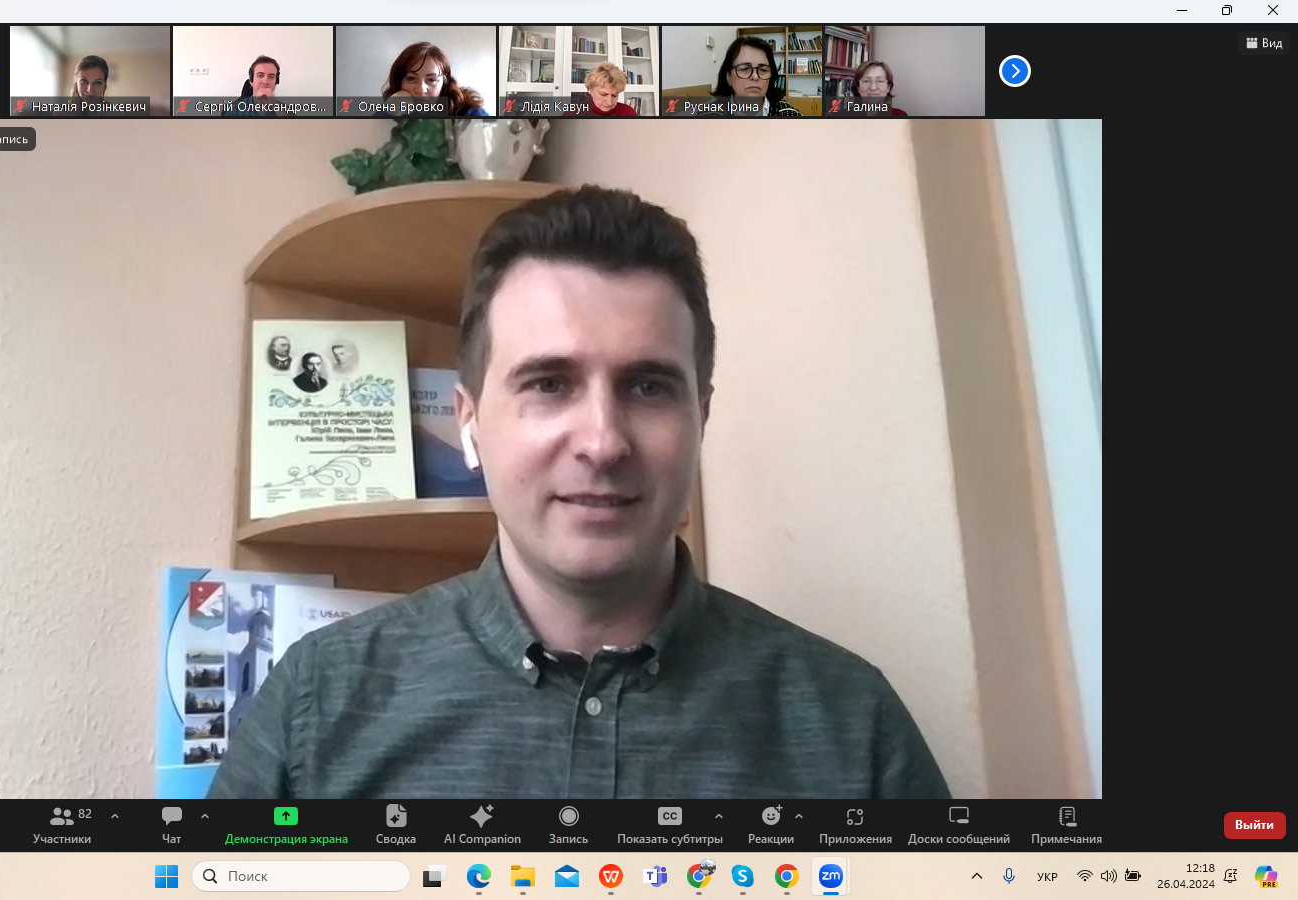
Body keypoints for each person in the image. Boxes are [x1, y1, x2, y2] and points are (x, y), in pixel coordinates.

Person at [207, 186, 951, 799]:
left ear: (701, 418)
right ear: (470, 422)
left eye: (648, 387)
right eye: (549, 383)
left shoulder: (854, 727)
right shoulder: (316, 702)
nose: (602, 441)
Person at [382, 41, 489, 116]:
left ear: (444, 82)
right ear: (399, 81)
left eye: (431, 80)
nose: (421, 89)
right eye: (411, 78)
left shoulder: (467, 113)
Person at [706, 36, 802, 116]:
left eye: (763, 70)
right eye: (744, 69)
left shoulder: (790, 114)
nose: (755, 76)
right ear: (728, 77)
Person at [224, 55, 293, 117]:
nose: (265, 82)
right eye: (260, 75)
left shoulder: (287, 109)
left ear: (276, 82)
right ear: (251, 81)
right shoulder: (234, 109)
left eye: (271, 77)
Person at [574, 61, 639, 116]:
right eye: (603, 94)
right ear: (590, 89)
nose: (609, 103)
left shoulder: (628, 112)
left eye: (614, 95)